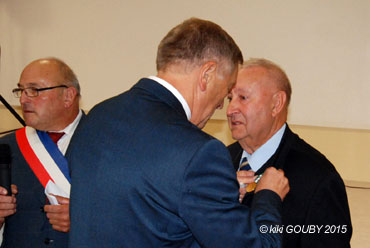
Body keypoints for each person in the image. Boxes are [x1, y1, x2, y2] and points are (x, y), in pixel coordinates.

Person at [68, 18, 289, 248]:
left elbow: (137, 198)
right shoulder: (199, 153)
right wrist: (267, 198)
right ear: (207, 75)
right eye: (225, 92)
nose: (222, 106)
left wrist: (215, 193)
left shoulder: (98, 115)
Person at [227, 58, 352, 247]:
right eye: (230, 99)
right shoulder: (219, 162)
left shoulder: (318, 178)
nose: (230, 109)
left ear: (276, 104)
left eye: (243, 98)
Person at [0, 57, 84, 247]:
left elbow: (133, 214)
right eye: (21, 90)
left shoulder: (106, 144)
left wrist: (85, 220)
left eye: (34, 90)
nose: (23, 99)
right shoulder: (5, 148)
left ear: (68, 96)